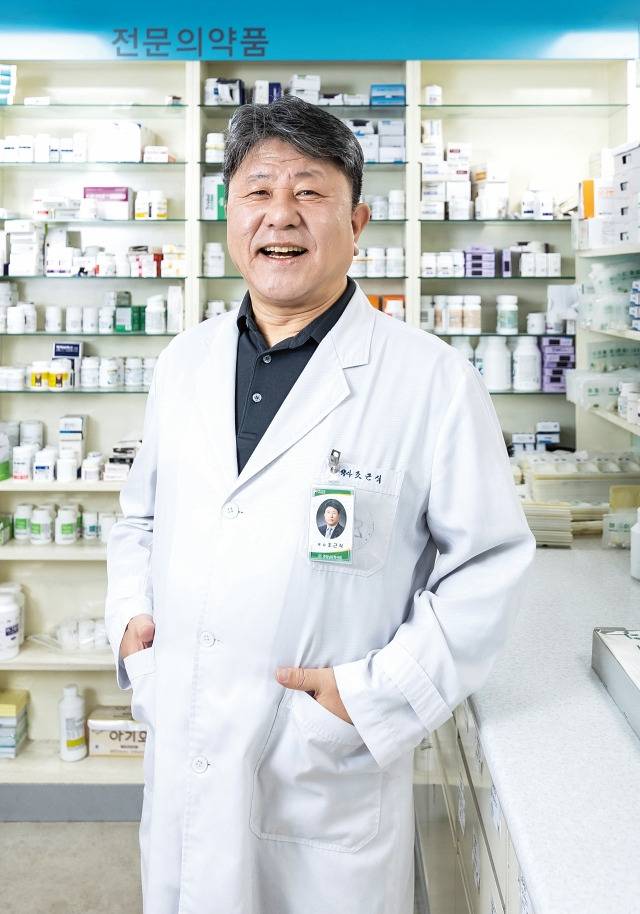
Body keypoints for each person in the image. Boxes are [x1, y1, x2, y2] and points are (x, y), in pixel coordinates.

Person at [105, 95, 535, 914]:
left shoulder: (431, 380)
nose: (281, 215)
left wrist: (376, 695)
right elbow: (140, 518)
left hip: (322, 763)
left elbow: (489, 566)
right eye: (258, 190)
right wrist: (132, 623)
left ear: (358, 221)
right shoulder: (184, 363)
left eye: (309, 191)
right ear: (228, 216)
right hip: (188, 733)